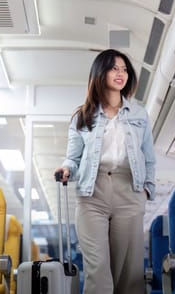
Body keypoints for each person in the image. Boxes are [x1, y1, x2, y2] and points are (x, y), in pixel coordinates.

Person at [54, 49, 156, 294]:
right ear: (100, 73)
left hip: (129, 191)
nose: (120, 74)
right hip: (92, 194)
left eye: (124, 69)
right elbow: (73, 157)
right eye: (114, 68)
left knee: (128, 274)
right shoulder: (83, 117)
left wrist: (146, 191)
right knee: (97, 269)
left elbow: (149, 158)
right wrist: (67, 168)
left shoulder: (139, 114)